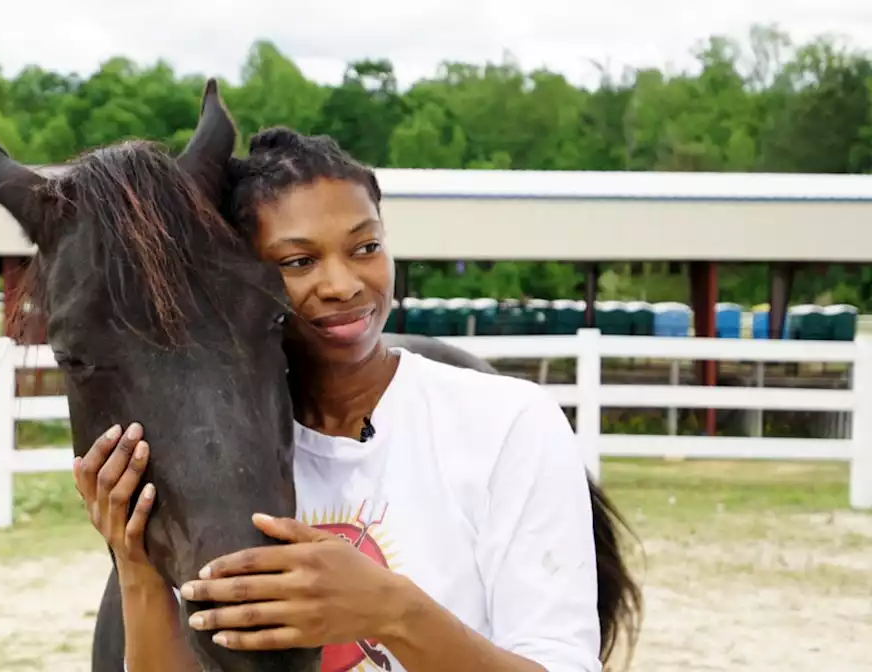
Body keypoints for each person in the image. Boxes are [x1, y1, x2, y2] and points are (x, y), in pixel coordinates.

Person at [72, 127, 630, 672]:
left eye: (366, 247)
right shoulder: (211, 470)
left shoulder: (509, 425)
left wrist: (392, 611)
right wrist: (136, 567)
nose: (343, 284)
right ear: (239, 280)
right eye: (298, 262)